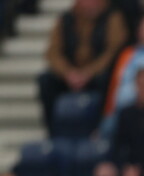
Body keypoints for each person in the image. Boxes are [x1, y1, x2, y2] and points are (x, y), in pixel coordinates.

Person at [38, 0, 128, 134]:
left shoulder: (112, 17)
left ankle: (98, 129)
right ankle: (54, 131)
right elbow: (53, 52)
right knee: (45, 81)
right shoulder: (66, 19)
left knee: (108, 80)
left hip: (97, 73)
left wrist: (89, 72)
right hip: (70, 73)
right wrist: (68, 73)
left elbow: (112, 51)